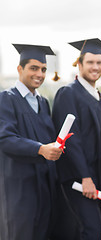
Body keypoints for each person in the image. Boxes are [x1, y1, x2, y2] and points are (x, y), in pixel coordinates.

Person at [52, 38, 101, 240]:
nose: (95, 67)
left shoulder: (99, 98)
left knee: (97, 227)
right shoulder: (68, 94)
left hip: (98, 177)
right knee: (89, 230)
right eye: (90, 62)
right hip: (78, 181)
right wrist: (84, 177)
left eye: (99, 63)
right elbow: (71, 140)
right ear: (79, 65)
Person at [0, 44, 62, 240]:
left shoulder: (43, 103)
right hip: (19, 188)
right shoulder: (5, 99)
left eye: (43, 69)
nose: (40, 74)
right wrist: (41, 149)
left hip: (43, 186)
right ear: (20, 69)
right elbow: (5, 139)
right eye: (34, 68)